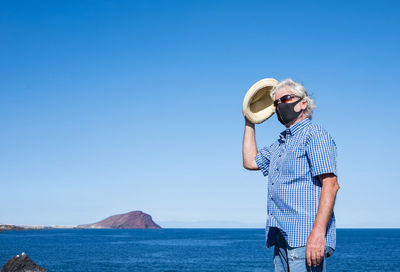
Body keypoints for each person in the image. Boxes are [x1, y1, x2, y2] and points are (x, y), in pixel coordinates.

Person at [242, 79, 340, 272]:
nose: (279, 106)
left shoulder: (314, 135)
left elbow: (331, 184)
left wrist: (318, 234)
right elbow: (250, 162)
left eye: (285, 99)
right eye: (275, 103)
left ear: (303, 103)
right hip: (282, 237)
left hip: (305, 237)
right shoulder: (281, 143)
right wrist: (249, 121)